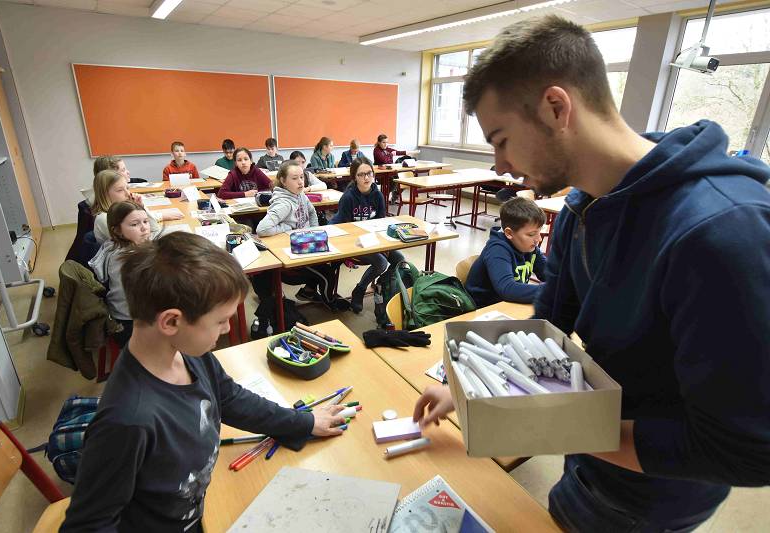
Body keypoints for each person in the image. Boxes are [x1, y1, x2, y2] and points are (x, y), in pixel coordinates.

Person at [413, 15, 770, 533]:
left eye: (502, 139)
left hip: (649, 500)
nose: (500, 165)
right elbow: (549, 326)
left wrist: (557, 429)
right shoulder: (584, 206)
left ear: (557, 107)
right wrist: (473, 389)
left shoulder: (722, 232)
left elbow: (748, 452)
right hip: (589, 463)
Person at [61, 232, 346, 532]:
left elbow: (230, 398)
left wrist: (302, 422)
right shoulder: (128, 422)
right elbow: (87, 525)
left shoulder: (186, 353)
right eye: (220, 320)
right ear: (171, 321)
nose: (226, 330)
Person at [251, 161, 349, 332]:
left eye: (302, 177)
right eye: (295, 178)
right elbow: (262, 229)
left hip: (306, 247)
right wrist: (290, 228)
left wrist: (313, 232)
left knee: (336, 259)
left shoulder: (300, 194)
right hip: (293, 259)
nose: (300, 182)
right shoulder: (284, 203)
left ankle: (310, 292)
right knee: (326, 274)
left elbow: (311, 211)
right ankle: (330, 301)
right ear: (282, 181)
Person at [329, 157, 404, 313]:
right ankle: (360, 289)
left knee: (399, 259)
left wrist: (384, 245)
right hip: (352, 243)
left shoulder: (378, 196)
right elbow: (344, 231)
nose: (367, 177)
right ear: (354, 177)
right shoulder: (348, 197)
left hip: (372, 241)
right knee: (381, 263)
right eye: (361, 174)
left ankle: (382, 284)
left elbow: (381, 224)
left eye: (369, 173)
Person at [89, 201, 152, 347]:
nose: (144, 228)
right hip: (130, 323)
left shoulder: (117, 245)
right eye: (135, 224)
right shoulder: (126, 259)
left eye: (146, 221)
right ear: (117, 230)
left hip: (125, 311)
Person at [464, 197, 546, 306]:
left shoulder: (528, 246)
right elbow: (507, 289)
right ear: (509, 233)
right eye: (531, 234)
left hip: (507, 306)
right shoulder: (497, 250)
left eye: (539, 232)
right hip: (481, 311)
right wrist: (549, 291)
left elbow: (550, 272)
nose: (539, 239)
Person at [91, 169, 182, 244]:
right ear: (105, 194)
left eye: (127, 188)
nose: (128, 193)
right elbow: (143, 241)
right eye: (120, 190)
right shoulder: (104, 219)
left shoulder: (122, 210)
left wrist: (140, 207)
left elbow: (154, 229)